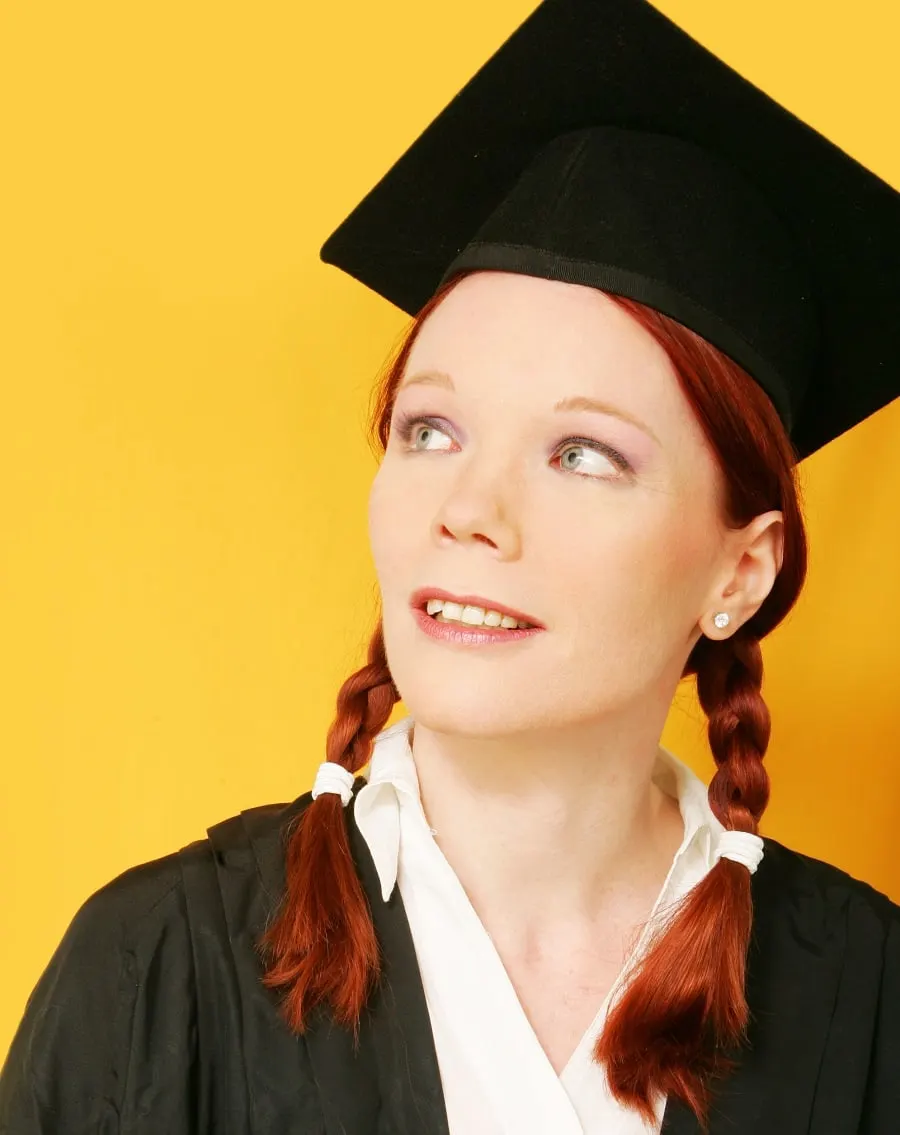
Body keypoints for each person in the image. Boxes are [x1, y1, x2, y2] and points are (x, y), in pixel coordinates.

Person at [2, 0, 899, 1132]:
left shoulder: (870, 1006)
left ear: (743, 572)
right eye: (430, 430)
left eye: (583, 453)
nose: (469, 510)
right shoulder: (156, 972)